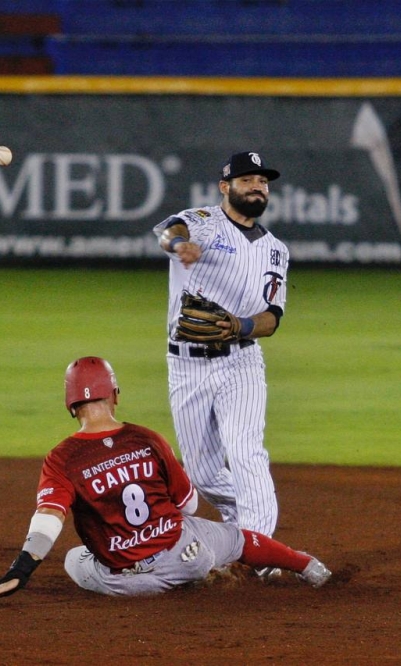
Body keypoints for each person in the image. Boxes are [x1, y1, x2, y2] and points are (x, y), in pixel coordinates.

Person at [0, 357, 329, 603]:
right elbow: (188, 504)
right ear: (114, 394)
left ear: (70, 404)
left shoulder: (62, 457)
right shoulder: (147, 438)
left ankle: (168, 582)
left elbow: (49, 518)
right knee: (238, 538)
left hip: (130, 583)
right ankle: (310, 568)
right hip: (186, 554)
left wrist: (21, 570)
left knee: (74, 559)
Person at [152, 152, 289, 558]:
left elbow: (273, 316)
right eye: (247, 179)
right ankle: (241, 527)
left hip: (240, 361)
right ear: (225, 187)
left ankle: (258, 555)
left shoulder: (276, 250)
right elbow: (167, 233)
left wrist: (240, 326)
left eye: (263, 181)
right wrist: (180, 244)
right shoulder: (202, 221)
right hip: (185, 363)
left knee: (246, 452)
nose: (257, 186)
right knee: (202, 473)